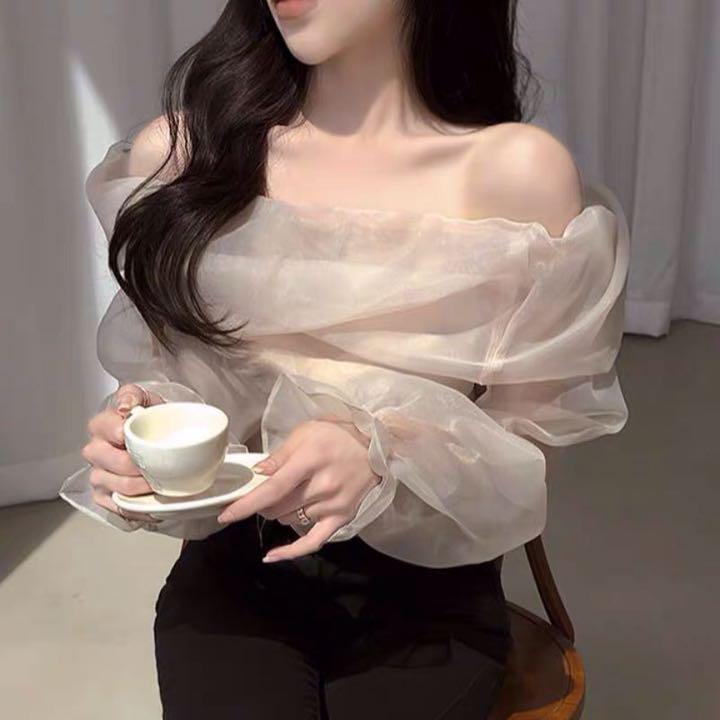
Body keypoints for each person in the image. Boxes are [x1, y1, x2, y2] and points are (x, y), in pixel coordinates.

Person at [61, 1, 630, 717]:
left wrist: (383, 455)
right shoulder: (183, 155)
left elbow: (529, 448)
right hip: (236, 574)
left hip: (428, 590)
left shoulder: (512, 174)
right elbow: (178, 377)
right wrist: (144, 427)